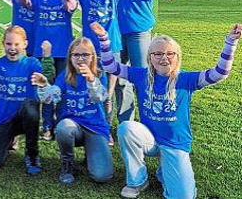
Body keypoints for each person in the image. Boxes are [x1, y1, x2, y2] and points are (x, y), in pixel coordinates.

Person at [91, 22, 241, 198]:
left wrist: (230, 42)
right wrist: (104, 39)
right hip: (150, 140)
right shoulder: (141, 75)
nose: (164, 58)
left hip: (174, 144)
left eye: (170, 53)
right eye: (158, 53)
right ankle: (138, 181)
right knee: (126, 128)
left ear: (177, 57)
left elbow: (219, 73)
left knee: (182, 196)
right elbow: (111, 67)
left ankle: (166, 169)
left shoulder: (185, 79)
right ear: (150, 58)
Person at [108, 0, 176, 123]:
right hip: (116, 32)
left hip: (139, 32)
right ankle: (126, 123)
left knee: (144, 79)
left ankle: (148, 120)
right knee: (121, 79)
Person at [0, 27, 54, 175]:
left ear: (25, 45)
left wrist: (47, 56)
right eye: (9, 44)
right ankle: (8, 140)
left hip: (26, 118)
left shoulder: (31, 63)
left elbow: (48, 76)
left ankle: (32, 153)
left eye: (17, 44)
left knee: (30, 105)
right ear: (3, 44)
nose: (12, 48)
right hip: (4, 120)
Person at [33, 37, 113, 186]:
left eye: (85, 55)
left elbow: (99, 98)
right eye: (76, 55)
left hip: (94, 128)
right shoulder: (64, 76)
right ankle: (67, 164)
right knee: (64, 127)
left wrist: (90, 80)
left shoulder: (99, 75)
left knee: (102, 176)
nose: (80, 58)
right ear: (70, 57)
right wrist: (44, 86)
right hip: (72, 127)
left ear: (92, 57)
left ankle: (91, 153)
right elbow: (51, 98)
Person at [70, 0, 125, 143]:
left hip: (112, 51)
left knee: (108, 94)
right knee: (93, 91)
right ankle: (89, 128)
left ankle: (106, 130)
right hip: (90, 53)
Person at [18, 0, 77, 141]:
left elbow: (72, 6)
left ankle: (60, 123)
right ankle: (47, 126)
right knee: (45, 90)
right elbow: (24, 2)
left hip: (63, 53)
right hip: (43, 53)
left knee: (61, 89)